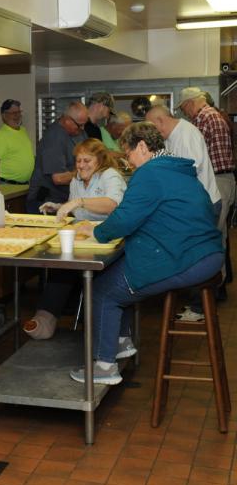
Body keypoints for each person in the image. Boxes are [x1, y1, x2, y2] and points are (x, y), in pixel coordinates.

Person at [71, 122, 223, 385]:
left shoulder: (150, 173)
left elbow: (123, 220)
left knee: (102, 291)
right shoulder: (177, 169)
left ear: (142, 146)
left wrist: (94, 233)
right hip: (207, 254)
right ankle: (121, 342)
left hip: (186, 258)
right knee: (116, 275)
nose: (129, 162)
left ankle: (105, 366)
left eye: (128, 154)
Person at [24, 139, 127, 339]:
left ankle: (99, 327)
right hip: (82, 238)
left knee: (98, 277)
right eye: (78, 161)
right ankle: (45, 318)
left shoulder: (110, 176)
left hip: (109, 238)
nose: (81, 166)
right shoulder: (77, 180)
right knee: (62, 268)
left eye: (87, 161)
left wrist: (79, 202)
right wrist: (58, 206)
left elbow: (113, 204)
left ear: (100, 160)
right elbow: (76, 211)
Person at [176, 87, 234, 304]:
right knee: (219, 237)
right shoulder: (214, 114)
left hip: (216, 182)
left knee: (210, 238)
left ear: (190, 103)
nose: (185, 113)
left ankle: (209, 291)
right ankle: (217, 285)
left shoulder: (202, 118)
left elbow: (191, 159)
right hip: (224, 180)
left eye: (183, 109)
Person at [26, 101, 89, 213]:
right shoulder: (54, 138)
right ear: (66, 119)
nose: (83, 128)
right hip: (46, 201)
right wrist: (86, 172)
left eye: (85, 124)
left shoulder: (78, 132)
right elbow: (59, 178)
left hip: (63, 198)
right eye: (79, 125)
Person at [0, 99, 34, 184]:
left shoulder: (23, 130)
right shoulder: (0, 135)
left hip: (25, 185)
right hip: (8, 185)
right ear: (4, 116)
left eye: (19, 112)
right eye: (13, 113)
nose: (17, 116)